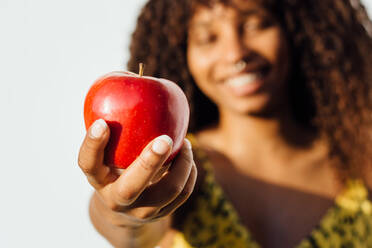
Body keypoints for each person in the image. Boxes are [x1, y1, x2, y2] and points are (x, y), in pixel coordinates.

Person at [77, 0, 372, 247]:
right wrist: (123, 210)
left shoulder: (362, 163)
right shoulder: (181, 168)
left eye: (255, 25)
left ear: (297, 29)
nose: (235, 53)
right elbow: (130, 231)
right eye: (208, 38)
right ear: (184, 53)